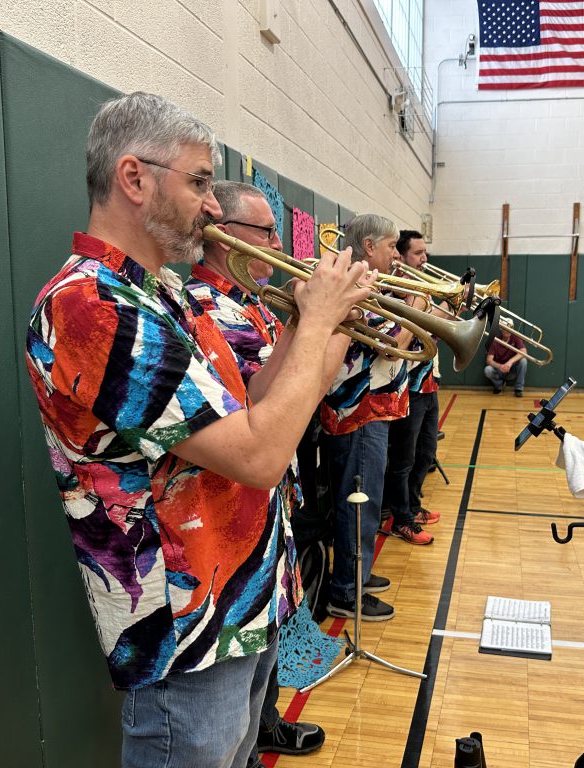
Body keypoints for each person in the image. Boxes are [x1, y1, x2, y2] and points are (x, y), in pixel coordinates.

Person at [25, 92, 372, 768]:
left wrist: (311, 321)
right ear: (134, 178)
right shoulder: (89, 305)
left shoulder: (167, 292)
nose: (213, 206)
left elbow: (252, 410)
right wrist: (320, 321)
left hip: (244, 608)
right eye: (201, 182)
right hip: (187, 635)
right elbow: (261, 454)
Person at [186, 181, 338, 765]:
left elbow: (306, 388)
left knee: (264, 661)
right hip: (228, 523)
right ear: (227, 238)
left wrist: (327, 324)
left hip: (271, 504)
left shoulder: (254, 302)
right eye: (267, 231)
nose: (280, 243)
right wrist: (322, 326)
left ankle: (266, 723)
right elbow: (262, 414)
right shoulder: (208, 308)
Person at [321, 214, 416, 620]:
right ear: (370, 247)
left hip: (371, 408)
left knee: (366, 501)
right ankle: (347, 590)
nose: (397, 254)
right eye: (392, 246)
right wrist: (416, 311)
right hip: (357, 413)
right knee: (359, 503)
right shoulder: (356, 288)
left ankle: (356, 573)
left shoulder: (371, 286)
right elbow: (391, 347)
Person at [381, 229, 443, 545]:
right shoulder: (391, 290)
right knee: (403, 460)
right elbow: (396, 341)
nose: (424, 259)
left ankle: (412, 506)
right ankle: (401, 519)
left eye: (424, 252)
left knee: (425, 453)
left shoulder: (419, 287)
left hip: (428, 382)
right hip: (409, 386)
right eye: (417, 253)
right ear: (403, 256)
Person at [484, 318, 527, 396]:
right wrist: (500, 366)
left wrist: (510, 362)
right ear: (501, 329)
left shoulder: (516, 338)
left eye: (510, 328)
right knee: (488, 370)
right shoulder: (495, 340)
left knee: (523, 361)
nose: (507, 331)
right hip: (499, 370)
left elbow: (524, 352)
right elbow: (489, 360)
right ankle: (499, 386)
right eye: (505, 328)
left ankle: (518, 388)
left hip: (512, 369)